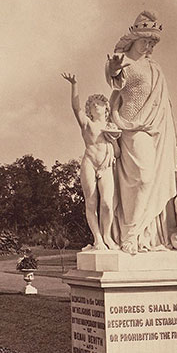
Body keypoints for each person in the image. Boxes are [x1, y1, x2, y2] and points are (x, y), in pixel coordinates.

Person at [105, 11, 177, 254]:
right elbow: (114, 78)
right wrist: (114, 70)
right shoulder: (122, 60)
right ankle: (130, 234)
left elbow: (164, 103)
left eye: (152, 42)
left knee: (154, 178)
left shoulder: (153, 67)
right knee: (144, 178)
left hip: (154, 129)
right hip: (131, 128)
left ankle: (147, 234)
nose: (148, 46)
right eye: (145, 40)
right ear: (134, 38)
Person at [64, 72, 120, 250]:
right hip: (89, 163)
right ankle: (97, 239)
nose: (96, 105)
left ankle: (107, 236)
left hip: (106, 166)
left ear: (106, 108)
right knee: (91, 202)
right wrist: (74, 85)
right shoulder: (87, 124)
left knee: (107, 204)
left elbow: (118, 154)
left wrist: (112, 141)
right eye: (93, 104)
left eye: (100, 103)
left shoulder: (112, 128)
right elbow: (75, 108)